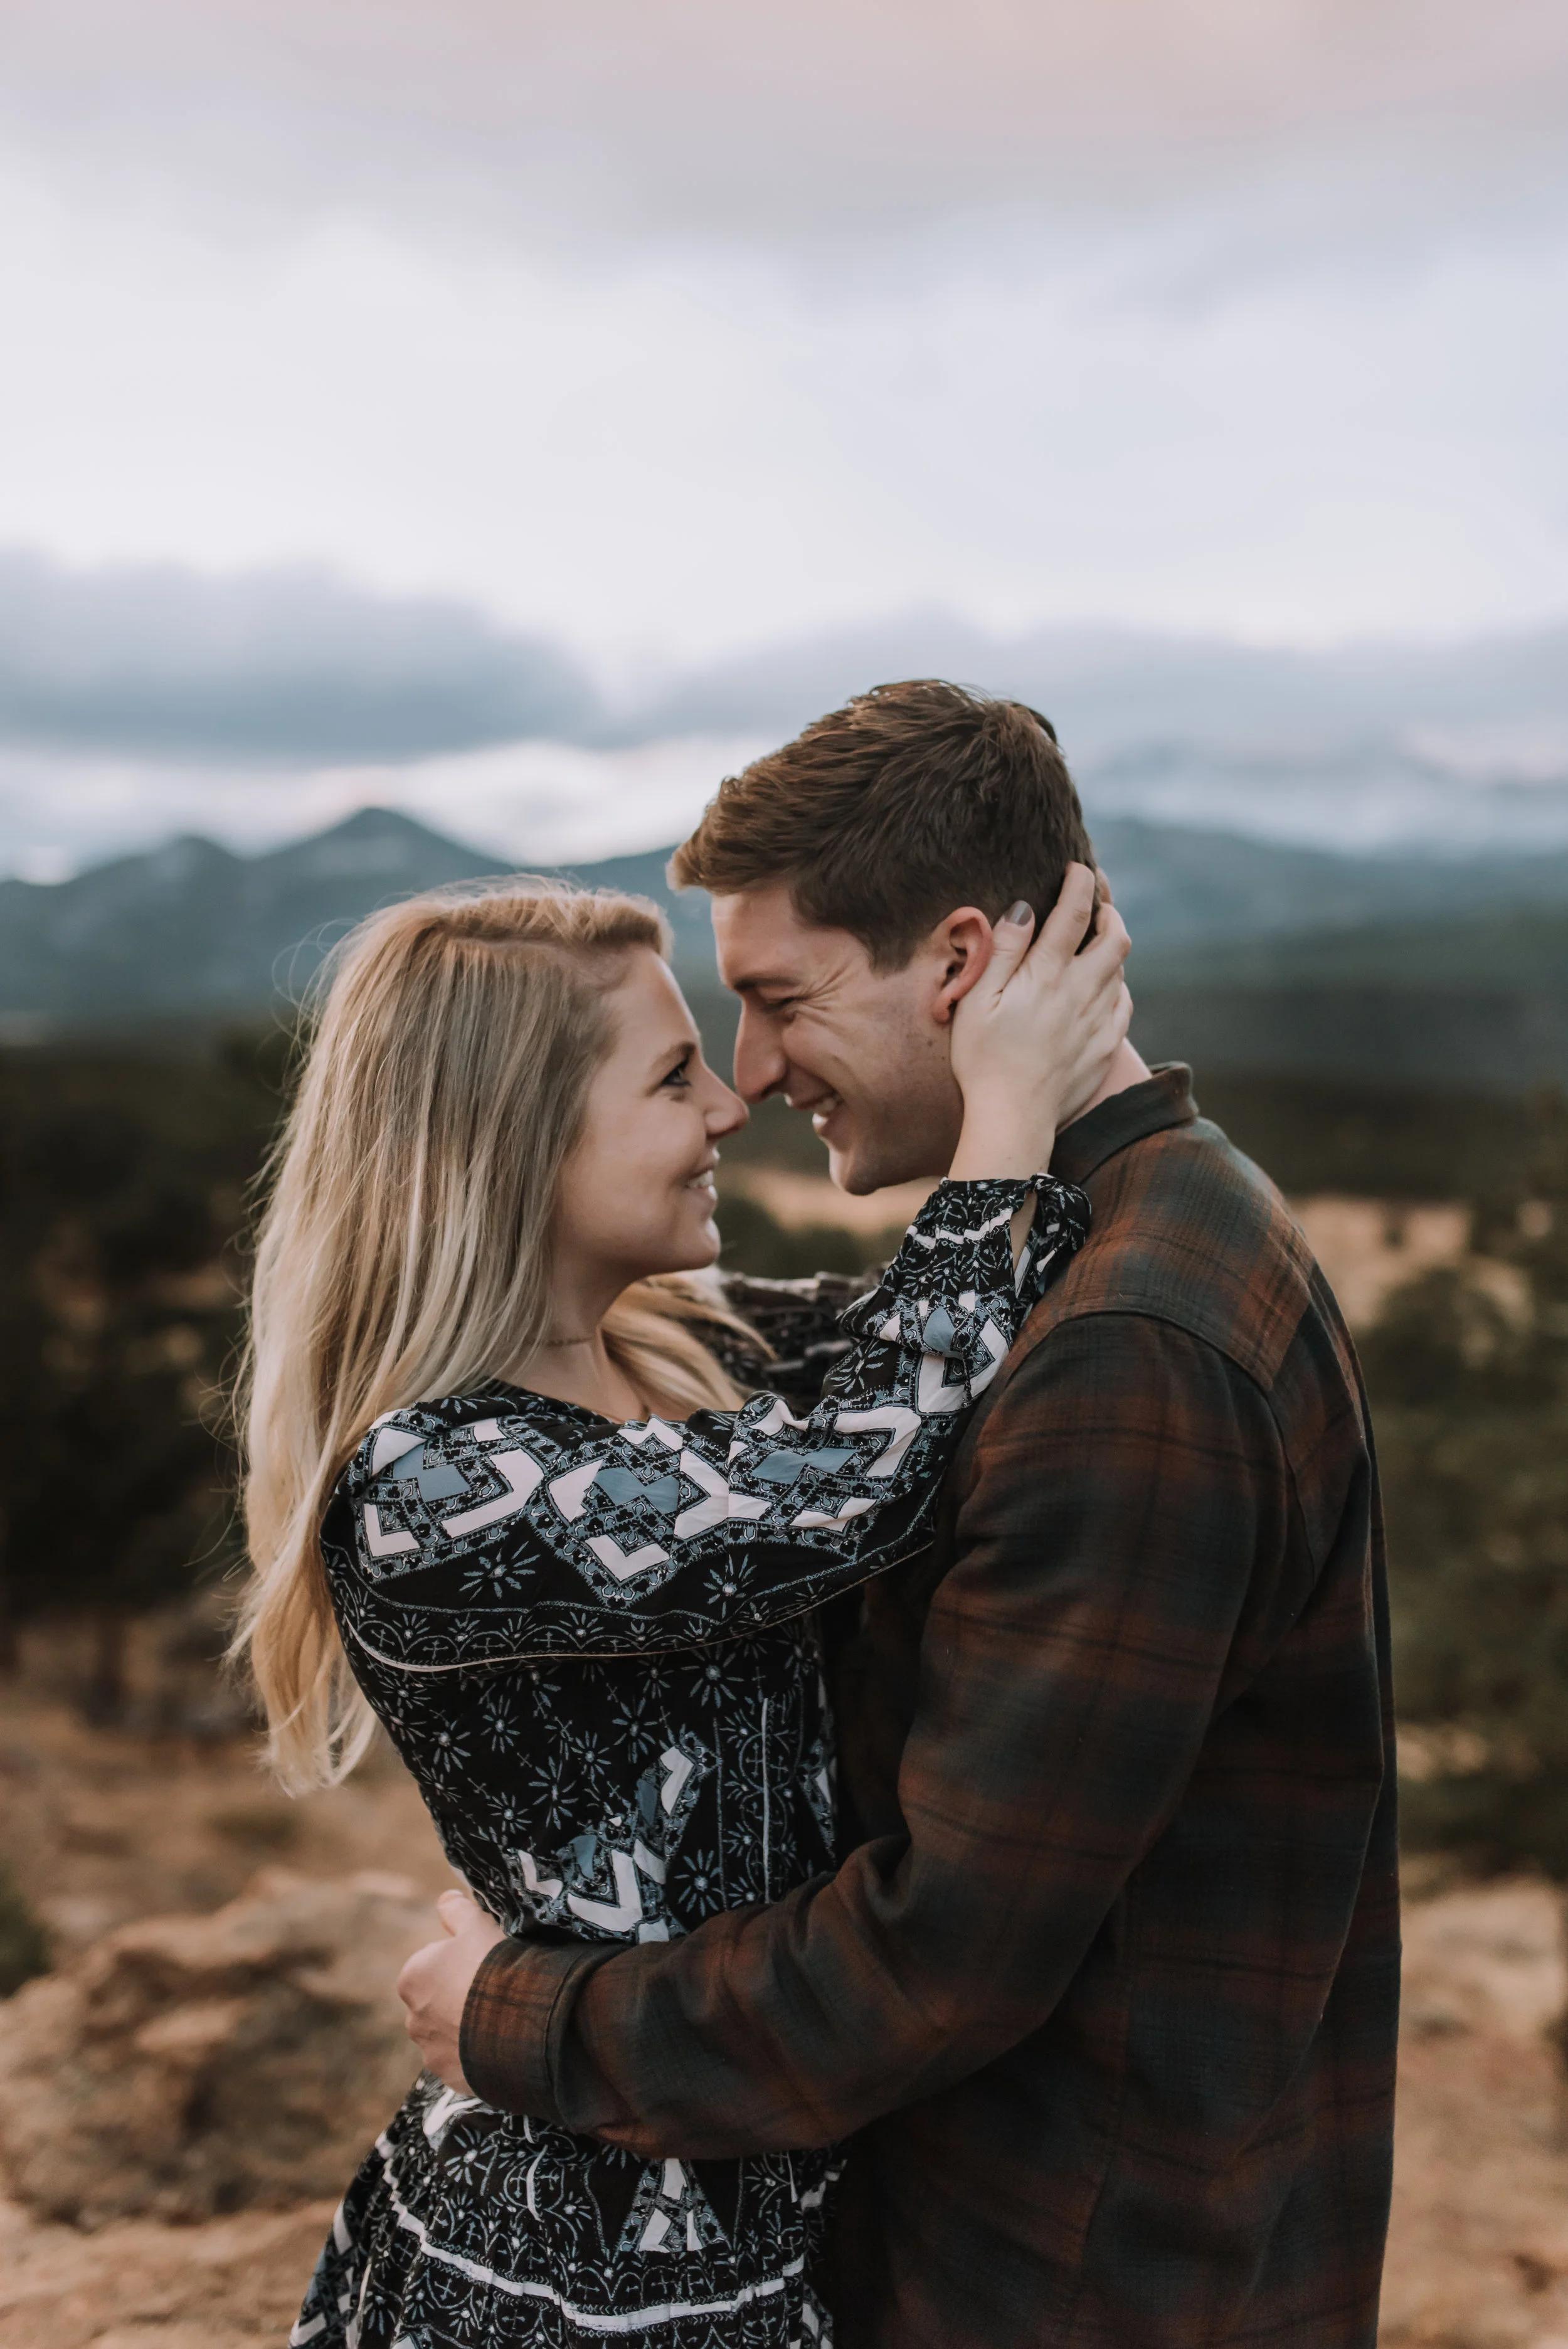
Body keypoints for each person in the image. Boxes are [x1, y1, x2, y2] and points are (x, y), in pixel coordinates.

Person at [402, 681, 1400, 2349]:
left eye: (780, 1000)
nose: (752, 1071)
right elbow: (869, 1372)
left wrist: (527, 2021)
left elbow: (937, 1956)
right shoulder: (1108, 1244)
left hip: (1067, 2276)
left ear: (955, 967)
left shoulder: (1131, 1350)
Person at [233, 860, 1131, 2348]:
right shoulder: (436, 1484)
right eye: (670, 1080)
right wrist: (1006, 1119)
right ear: (510, 1146)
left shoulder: (682, 1346)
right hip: (568, 2280)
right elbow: (872, 1466)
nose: (727, 1109)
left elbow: (951, 1344)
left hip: (763, 2213)